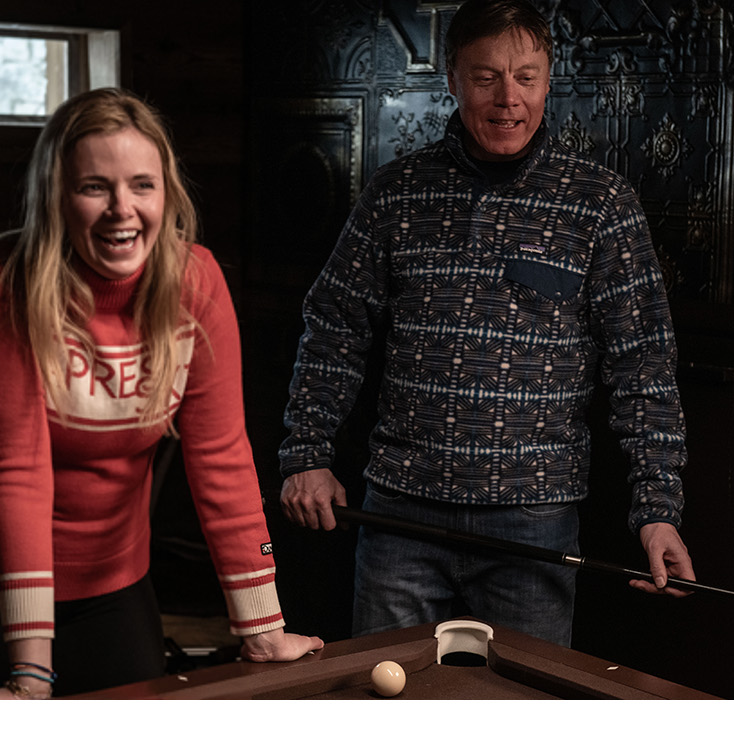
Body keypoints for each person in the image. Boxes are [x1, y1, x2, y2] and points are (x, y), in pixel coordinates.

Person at [277, 0, 695, 648]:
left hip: (534, 526)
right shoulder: (395, 194)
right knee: (387, 706)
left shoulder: (601, 205)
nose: (507, 99)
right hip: (399, 521)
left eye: (525, 77)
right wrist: (306, 454)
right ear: (452, 78)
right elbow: (334, 327)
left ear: (548, 80)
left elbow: (644, 366)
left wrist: (658, 511)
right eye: (485, 77)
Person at [0, 87, 322, 699]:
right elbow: (19, 472)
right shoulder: (0, 291)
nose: (121, 209)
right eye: (95, 187)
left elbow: (222, 457)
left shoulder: (195, 283)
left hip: (114, 575)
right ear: (57, 197)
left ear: (166, 193)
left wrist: (262, 625)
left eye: (142, 185)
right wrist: (29, 675)